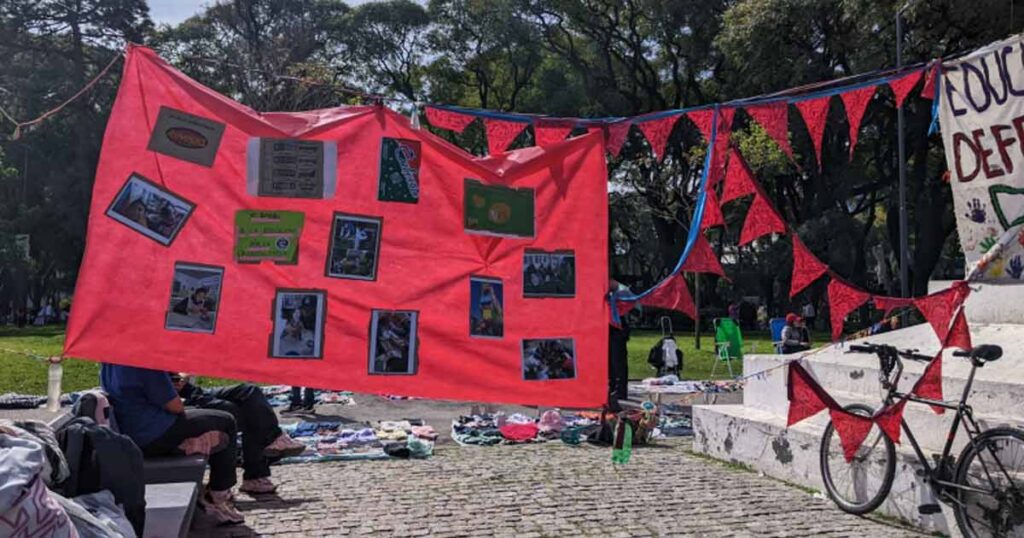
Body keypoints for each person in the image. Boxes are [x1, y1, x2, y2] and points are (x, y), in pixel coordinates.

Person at [99, 364, 244, 525]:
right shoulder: (145, 365)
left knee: (202, 415)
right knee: (226, 420)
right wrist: (171, 388)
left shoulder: (109, 362)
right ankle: (218, 494)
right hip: (154, 434)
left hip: (132, 431)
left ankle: (190, 445)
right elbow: (176, 407)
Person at [172, 375, 305, 493]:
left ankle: (272, 443)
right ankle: (256, 472)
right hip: (182, 399)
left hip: (190, 391)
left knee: (250, 391)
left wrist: (181, 377)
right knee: (246, 413)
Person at [608, 279, 630, 411]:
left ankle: (620, 389)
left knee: (618, 360)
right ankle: (611, 387)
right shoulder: (611, 293)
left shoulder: (622, 292)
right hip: (610, 327)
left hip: (618, 328)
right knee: (609, 359)